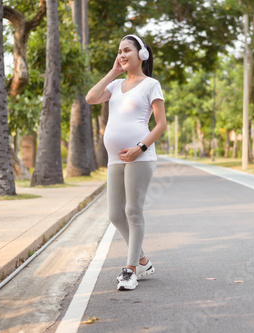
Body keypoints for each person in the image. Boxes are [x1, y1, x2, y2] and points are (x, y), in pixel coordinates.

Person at [86, 34, 167, 291]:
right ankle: (142, 259)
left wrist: (139, 148)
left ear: (141, 54)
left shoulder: (151, 84)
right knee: (114, 214)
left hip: (140, 156)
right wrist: (112, 72)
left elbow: (161, 124)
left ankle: (130, 270)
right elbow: (91, 97)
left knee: (133, 211)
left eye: (127, 50)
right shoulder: (115, 85)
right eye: (119, 51)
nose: (122, 55)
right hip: (114, 158)